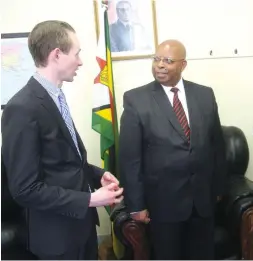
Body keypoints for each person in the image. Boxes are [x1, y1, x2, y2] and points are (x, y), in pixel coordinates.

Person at [1, 20, 124, 260]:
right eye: (76, 53)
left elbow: (66, 161)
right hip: (57, 240)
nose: (80, 61)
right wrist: (89, 199)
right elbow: (24, 189)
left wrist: (98, 175)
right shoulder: (22, 108)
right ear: (56, 54)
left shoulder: (56, 97)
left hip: (82, 230)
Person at [119, 39, 226, 259]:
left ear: (183, 65)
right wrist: (136, 204)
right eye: (156, 59)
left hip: (202, 202)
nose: (160, 65)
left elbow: (216, 145)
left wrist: (217, 189)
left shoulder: (205, 95)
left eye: (168, 60)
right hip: (163, 204)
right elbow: (130, 158)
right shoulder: (135, 100)